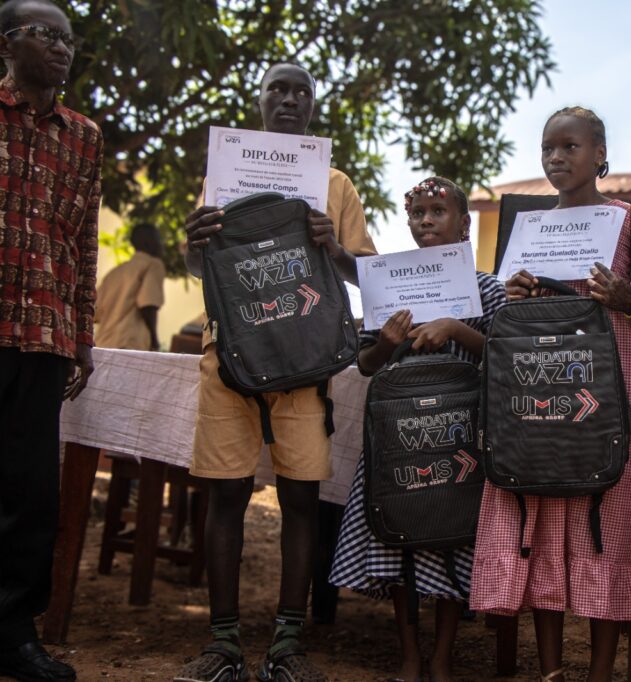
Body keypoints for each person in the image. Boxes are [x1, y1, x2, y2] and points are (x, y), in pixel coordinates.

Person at [176, 62, 376, 682]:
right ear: (259, 101)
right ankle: (224, 643)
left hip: (305, 357)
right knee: (227, 492)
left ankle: (287, 645)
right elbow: (196, 263)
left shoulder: (334, 183)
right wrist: (193, 238)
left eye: (302, 91)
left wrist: (331, 245)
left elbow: (363, 270)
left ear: (313, 106)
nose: (289, 100)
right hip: (230, 354)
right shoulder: (225, 171)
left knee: (300, 499)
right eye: (277, 90)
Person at [470, 106, 631, 682]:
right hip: (539, 398)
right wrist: (513, 294)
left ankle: (600, 672)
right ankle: (551, 671)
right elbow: (509, 323)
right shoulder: (528, 228)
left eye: (570, 146)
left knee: (607, 529)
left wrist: (626, 296)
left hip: (610, 398)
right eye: (548, 148)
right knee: (543, 522)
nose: (557, 157)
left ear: (600, 153)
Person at [330, 176, 504, 682]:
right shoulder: (388, 286)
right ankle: (409, 655)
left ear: (464, 224)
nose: (425, 221)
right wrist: (386, 343)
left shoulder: (487, 288)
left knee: (456, 536)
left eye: (437, 212)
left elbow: (504, 356)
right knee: (398, 531)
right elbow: (365, 364)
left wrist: (453, 328)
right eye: (417, 214)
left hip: (462, 438)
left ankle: (443, 657)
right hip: (399, 437)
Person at [0, 0, 101, 679]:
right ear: (9, 43)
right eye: (46, 35)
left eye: (68, 38)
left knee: (30, 493)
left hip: (43, 338)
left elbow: (84, 243)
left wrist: (83, 338)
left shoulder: (84, 136)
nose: (62, 48)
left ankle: (12, 633)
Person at [94, 223, 166, 351]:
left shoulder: (114, 273)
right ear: (149, 243)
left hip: (103, 344)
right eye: (158, 240)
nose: (161, 245)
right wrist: (155, 341)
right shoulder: (153, 265)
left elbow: (95, 312)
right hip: (129, 344)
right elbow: (148, 304)